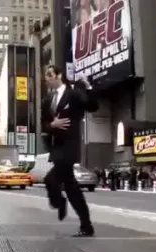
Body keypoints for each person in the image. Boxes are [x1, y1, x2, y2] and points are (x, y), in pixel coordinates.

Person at [41, 65, 98, 237]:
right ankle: (86, 226)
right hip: (56, 147)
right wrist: (52, 125)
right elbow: (44, 124)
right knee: (72, 188)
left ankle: (60, 202)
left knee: (51, 179)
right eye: (46, 75)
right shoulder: (47, 100)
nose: (47, 78)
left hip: (69, 146)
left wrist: (88, 87)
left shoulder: (73, 94)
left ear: (60, 75)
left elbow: (92, 106)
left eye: (50, 75)